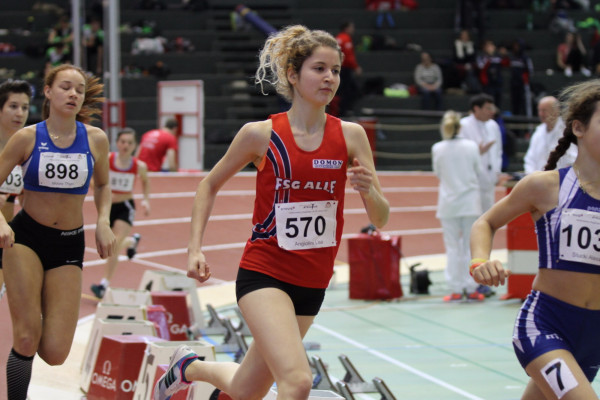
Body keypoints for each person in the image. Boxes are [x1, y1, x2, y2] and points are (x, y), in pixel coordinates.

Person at [153, 24, 389, 400]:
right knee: (297, 381)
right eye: (319, 68)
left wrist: (368, 190)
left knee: (247, 389)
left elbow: (380, 218)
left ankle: (187, 367)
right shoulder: (261, 134)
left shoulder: (351, 136)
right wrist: (194, 248)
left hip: (313, 281)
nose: (329, 78)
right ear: (293, 75)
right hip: (265, 273)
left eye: (335, 70)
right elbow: (208, 185)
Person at [470, 79, 600, 400]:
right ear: (579, 128)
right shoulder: (545, 186)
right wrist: (480, 261)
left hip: (594, 336)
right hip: (545, 326)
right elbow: (486, 222)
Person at [0, 64, 115, 399]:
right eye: (65, 87)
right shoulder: (27, 138)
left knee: (54, 352)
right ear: (48, 92)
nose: (73, 94)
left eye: (79, 89)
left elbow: (103, 185)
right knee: (26, 337)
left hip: (68, 243)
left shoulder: (95, 139)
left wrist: (103, 221)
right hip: (26, 239)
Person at [90, 127, 150, 299]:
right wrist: (100, 190)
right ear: (117, 143)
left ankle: (104, 284)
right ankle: (132, 242)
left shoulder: (139, 166)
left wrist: (146, 200)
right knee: (109, 243)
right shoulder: (107, 159)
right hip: (108, 207)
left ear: (135, 146)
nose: (126, 145)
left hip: (125, 207)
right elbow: (92, 178)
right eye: (123, 142)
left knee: (114, 244)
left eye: (130, 143)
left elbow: (146, 181)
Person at [432, 111, 483, 302]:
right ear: (460, 127)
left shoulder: (438, 148)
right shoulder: (472, 146)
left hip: (448, 204)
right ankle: (471, 288)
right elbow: (478, 170)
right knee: (470, 247)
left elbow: (438, 173)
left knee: (452, 247)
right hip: (470, 202)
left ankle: (455, 289)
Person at [0, 80, 32, 302]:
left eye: (25, 107)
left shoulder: (27, 151)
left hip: (4, 240)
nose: (20, 113)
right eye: (13, 106)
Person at [459, 93, 503, 213]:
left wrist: (497, 172)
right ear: (476, 108)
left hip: (489, 178)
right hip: (472, 180)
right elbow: (460, 153)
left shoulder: (493, 125)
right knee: (472, 213)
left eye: (492, 108)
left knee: (488, 212)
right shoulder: (464, 125)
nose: (491, 111)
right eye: (488, 108)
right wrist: (477, 152)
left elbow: (498, 151)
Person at [524, 96, 577, 174]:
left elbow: (572, 159)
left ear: (555, 111)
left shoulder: (567, 131)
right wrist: (531, 175)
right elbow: (530, 159)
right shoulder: (538, 132)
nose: (541, 114)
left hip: (559, 178)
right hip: (537, 178)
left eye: (544, 110)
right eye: (539, 110)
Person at [334, 21, 362, 117]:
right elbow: (348, 56)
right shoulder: (346, 39)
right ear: (346, 28)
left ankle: (340, 110)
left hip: (338, 68)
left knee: (341, 90)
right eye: (351, 27)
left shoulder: (337, 38)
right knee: (349, 90)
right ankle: (343, 111)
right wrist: (356, 67)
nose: (353, 29)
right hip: (345, 69)